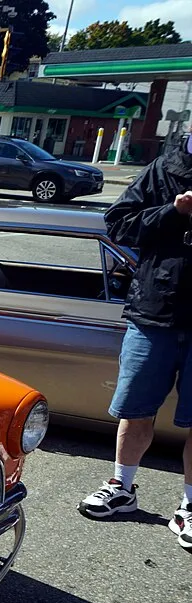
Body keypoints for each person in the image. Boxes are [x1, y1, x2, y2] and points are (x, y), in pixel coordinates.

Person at [79, 133, 192, 550]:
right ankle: (122, 487)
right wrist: (174, 211)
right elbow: (119, 224)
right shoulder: (162, 169)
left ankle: (190, 506)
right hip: (154, 311)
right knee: (135, 408)